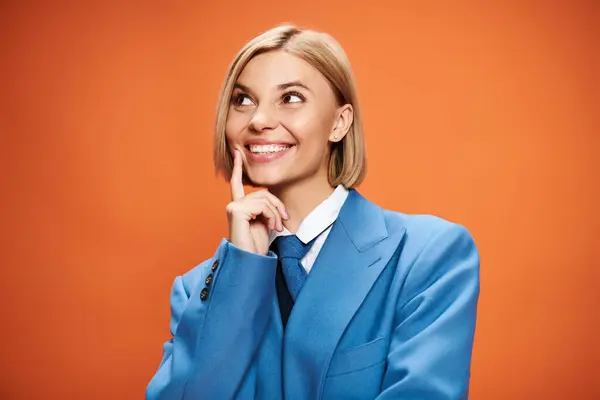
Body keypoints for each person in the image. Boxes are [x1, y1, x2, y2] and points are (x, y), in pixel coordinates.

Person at [146, 24, 480, 400]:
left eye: (290, 98)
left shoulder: (427, 256)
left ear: (339, 123)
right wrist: (240, 273)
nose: (258, 120)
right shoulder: (199, 289)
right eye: (243, 100)